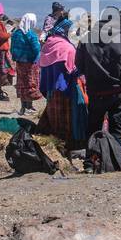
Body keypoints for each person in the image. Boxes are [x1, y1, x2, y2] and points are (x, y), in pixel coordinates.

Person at [74, 7, 121, 145]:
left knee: (93, 127)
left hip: (95, 90)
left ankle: (91, 161)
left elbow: (78, 65)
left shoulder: (86, 39)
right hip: (117, 91)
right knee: (116, 129)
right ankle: (114, 160)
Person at [37, 16, 88, 147]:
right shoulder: (67, 48)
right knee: (68, 117)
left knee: (54, 115)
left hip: (50, 89)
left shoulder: (49, 44)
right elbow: (73, 70)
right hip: (66, 90)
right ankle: (68, 142)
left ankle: (55, 139)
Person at [11, 13, 43, 116]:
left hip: (20, 63)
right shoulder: (31, 35)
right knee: (30, 83)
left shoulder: (16, 33)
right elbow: (36, 49)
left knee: (22, 83)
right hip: (30, 64)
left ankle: (23, 107)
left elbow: (12, 48)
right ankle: (29, 106)